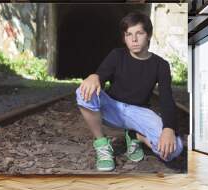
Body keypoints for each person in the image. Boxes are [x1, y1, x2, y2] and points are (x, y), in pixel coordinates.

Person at [75, 11, 183, 171]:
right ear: (124, 38)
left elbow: (166, 99)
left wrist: (168, 128)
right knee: (83, 91)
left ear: (149, 35)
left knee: (175, 149)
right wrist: (93, 76)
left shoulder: (161, 65)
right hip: (113, 108)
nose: (134, 39)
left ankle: (135, 135)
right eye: (128, 34)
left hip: (139, 113)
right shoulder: (117, 55)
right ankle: (102, 145)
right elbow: (100, 77)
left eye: (139, 33)